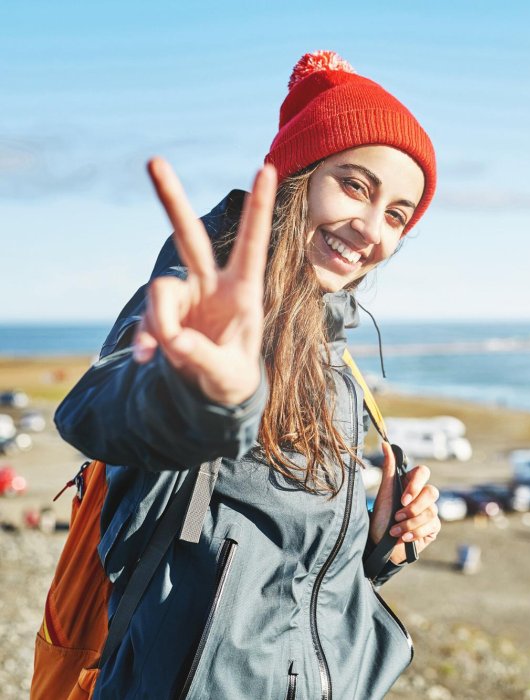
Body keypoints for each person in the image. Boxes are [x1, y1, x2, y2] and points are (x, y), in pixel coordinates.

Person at [50, 50, 442, 699]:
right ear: (298, 175)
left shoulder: (335, 362)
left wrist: (375, 546)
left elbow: (288, 578)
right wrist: (203, 399)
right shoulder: (205, 308)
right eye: (355, 186)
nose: (372, 229)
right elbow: (96, 408)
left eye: (397, 214)